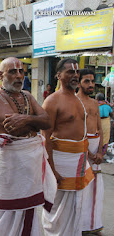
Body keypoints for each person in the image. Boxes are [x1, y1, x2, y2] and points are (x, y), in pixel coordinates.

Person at [0, 57, 56, 236]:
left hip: (28, 167)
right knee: (4, 213)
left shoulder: (28, 96)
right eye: (12, 72)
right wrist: (35, 122)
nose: (18, 76)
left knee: (28, 211)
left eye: (21, 71)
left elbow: (48, 122)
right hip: (9, 169)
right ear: (1, 75)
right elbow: (14, 129)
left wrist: (25, 119)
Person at [42, 58, 94, 235]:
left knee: (76, 206)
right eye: (70, 72)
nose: (75, 75)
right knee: (57, 210)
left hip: (78, 161)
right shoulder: (52, 101)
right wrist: (52, 169)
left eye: (76, 72)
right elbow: (45, 137)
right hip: (60, 163)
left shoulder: (79, 99)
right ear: (59, 75)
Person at [77, 69, 104, 235]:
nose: (91, 85)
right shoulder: (75, 102)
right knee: (82, 189)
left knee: (96, 190)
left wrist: (100, 152)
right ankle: (80, 227)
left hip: (96, 149)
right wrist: (87, 153)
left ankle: (94, 225)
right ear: (79, 82)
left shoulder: (95, 103)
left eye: (93, 81)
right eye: (87, 81)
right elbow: (77, 131)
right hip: (81, 148)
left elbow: (100, 128)